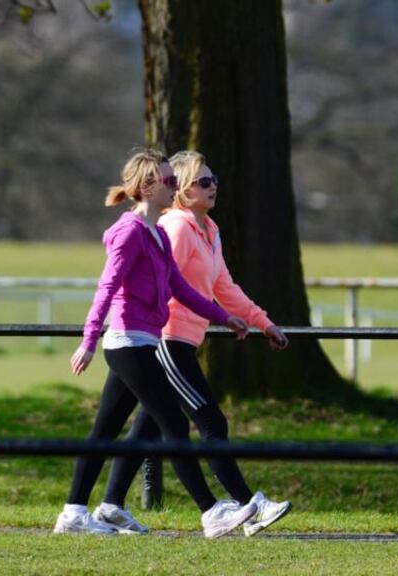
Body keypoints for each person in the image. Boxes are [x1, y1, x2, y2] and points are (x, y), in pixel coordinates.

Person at [53, 149, 254, 536]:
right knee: (174, 423)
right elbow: (107, 286)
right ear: (147, 186)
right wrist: (89, 339)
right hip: (126, 342)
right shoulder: (130, 232)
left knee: (105, 430)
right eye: (168, 180)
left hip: (142, 342)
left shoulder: (157, 233)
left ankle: (74, 512)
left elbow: (179, 287)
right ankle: (211, 513)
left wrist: (223, 316)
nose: (175, 185)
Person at [101, 150, 292, 538]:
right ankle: (249, 506)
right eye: (203, 182)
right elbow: (161, 280)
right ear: (183, 190)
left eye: (215, 179)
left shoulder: (209, 230)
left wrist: (263, 322)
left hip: (186, 340)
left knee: (147, 428)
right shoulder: (176, 227)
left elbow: (224, 286)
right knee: (209, 420)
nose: (213, 186)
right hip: (166, 340)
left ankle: (109, 506)